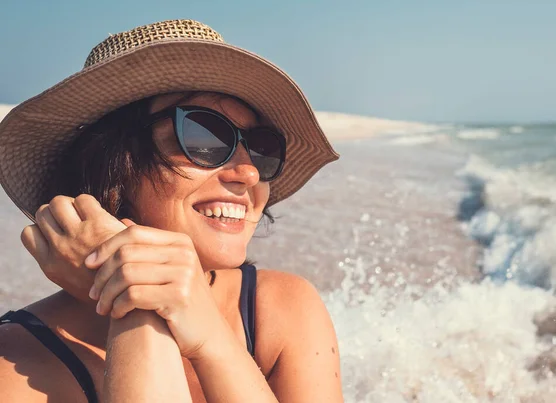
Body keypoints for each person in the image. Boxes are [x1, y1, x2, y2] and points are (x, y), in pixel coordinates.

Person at [0, 19, 343, 402]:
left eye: (262, 147)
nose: (248, 172)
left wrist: (211, 337)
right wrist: (134, 307)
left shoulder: (280, 309)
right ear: (114, 164)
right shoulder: (16, 360)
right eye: (204, 137)